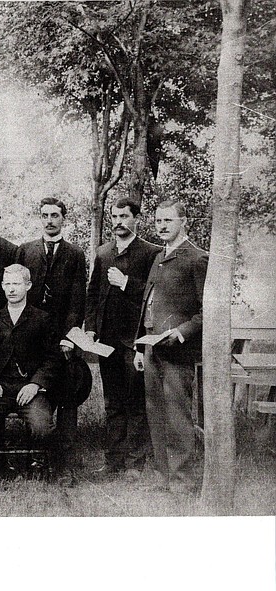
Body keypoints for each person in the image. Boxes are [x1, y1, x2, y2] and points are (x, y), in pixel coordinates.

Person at [133, 200, 208, 494]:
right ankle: (164, 478)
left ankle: (183, 482)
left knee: (177, 417)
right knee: (156, 414)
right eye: (158, 221)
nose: (162, 226)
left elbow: (206, 311)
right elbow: (147, 303)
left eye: (168, 221)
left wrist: (182, 332)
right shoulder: (158, 256)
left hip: (178, 352)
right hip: (152, 348)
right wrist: (140, 347)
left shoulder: (197, 258)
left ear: (183, 221)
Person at [85, 197, 161, 480]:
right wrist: (90, 327)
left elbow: (155, 296)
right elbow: (93, 294)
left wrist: (127, 283)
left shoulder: (150, 253)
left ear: (136, 219)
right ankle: (113, 461)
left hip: (135, 340)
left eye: (124, 216)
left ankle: (134, 463)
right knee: (112, 402)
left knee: (135, 402)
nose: (118, 222)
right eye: (114, 216)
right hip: (107, 341)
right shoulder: (104, 252)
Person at [15, 197, 87, 485]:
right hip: (33, 337)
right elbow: (18, 294)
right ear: (39, 218)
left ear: (63, 219)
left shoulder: (75, 254)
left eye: (55, 215)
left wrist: (69, 337)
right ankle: (36, 454)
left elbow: (77, 299)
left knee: (68, 388)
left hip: (63, 338)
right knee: (33, 388)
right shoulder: (25, 250)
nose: (49, 220)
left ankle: (65, 460)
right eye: (44, 215)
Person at [0, 265, 60, 483]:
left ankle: (42, 463)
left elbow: (52, 358)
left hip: (29, 388)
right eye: (7, 284)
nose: (11, 289)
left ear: (28, 286)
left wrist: (35, 384)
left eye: (16, 284)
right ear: (1, 286)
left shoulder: (42, 318)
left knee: (42, 427)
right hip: (0, 387)